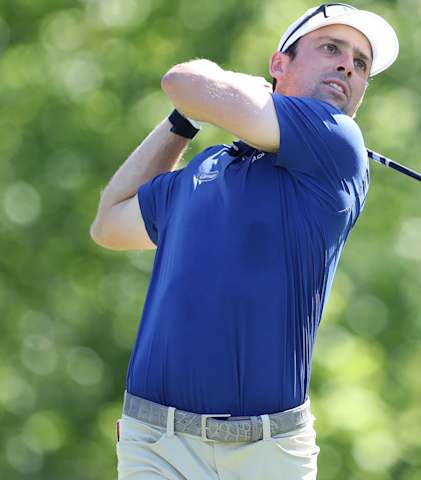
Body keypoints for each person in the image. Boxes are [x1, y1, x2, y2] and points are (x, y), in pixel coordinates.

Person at [89, 4, 399, 478]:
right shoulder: (207, 167)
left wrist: (206, 95)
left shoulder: (338, 143)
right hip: (155, 443)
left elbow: (183, 80)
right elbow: (109, 222)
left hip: (267, 453)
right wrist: (182, 123)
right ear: (280, 64)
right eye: (331, 48)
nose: (347, 66)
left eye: (360, 64)